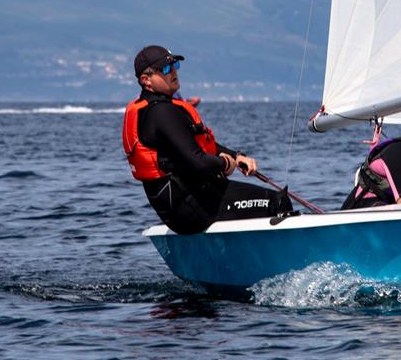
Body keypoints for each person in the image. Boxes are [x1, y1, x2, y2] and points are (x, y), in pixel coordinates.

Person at [122, 45, 292, 234]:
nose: (174, 73)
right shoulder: (162, 113)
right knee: (278, 202)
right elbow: (199, 161)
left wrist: (236, 156)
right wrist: (224, 163)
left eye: (175, 66)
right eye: (166, 69)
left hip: (180, 209)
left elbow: (199, 146)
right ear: (146, 80)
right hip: (197, 208)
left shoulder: (151, 110)